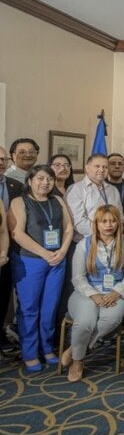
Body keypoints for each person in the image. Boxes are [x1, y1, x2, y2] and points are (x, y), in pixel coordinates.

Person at [62, 205, 124, 382]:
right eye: (104, 221)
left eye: (112, 220)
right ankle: (78, 362)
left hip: (119, 293)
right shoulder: (84, 244)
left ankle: (75, 350)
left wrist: (116, 292)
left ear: (118, 223)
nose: (108, 225)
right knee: (84, 322)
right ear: (96, 224)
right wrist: (94, 295)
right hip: (87, 292)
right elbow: (78, 278)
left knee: (110, 320)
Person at [8, 165, 73, 371]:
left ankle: (46, 348)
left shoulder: (58, 200)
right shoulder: (20, 201)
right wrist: (44, 253)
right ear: (30, 181)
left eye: (49, 179)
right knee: (29, 309)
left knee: (49, 308)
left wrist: (62, 252)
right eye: (41, 178)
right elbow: (17, 234)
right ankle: (29, 353)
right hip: (29, 261)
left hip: (57, 260)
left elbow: (69, 228)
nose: (45, 182)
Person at [66, 154, 123, 242]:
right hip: (87, 242)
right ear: (87, 168)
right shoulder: (75, 189)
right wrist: (104, 235)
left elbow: (120, 216)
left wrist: (115, 234)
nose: (101, 170)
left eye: (105, 167)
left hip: (113, 241)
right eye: (97, 166)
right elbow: (78, 222)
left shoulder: (113, 190)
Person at [0, 146, 21, 353]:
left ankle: (1, 335)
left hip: (6, 252)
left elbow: (5, 230)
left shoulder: (15, 185)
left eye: (3, 159)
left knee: (4, 295)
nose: (1, 162)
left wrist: (4, 253)